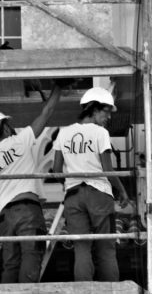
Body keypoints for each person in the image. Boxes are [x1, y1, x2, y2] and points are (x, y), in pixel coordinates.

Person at [0, 83, 63, 284]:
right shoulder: (21, 140)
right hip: (27, 210)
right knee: (31, 254)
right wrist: (59, 86)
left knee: (11, 263)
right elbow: (47, 113)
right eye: (8, 124)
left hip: (5, 217)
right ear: (4, 126)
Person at [52, 87, 131, 282]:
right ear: (94, 109)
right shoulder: (100, 133)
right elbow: (107, 169)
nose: (108, 118)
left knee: (81, 248)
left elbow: (56, 170)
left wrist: (71, 181)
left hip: (73, 196)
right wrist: (122, 191)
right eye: (106, 112)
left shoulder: (63, 133)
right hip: (98, 193)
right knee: (106, 247)